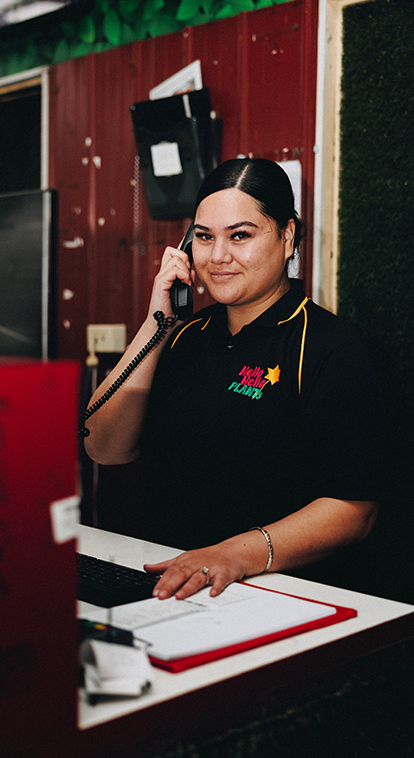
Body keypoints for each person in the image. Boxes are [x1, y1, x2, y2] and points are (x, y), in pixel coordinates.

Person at [84, 158, 385, 601]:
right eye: (204, 238)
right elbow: (103, 447)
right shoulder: (182, 337)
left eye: (240, 235)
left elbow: (354, 510)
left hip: (277, 597)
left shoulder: (331, 346)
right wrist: (155, 325)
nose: (218, 256)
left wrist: (232, 554)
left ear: (287, 237)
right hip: (172, 587)